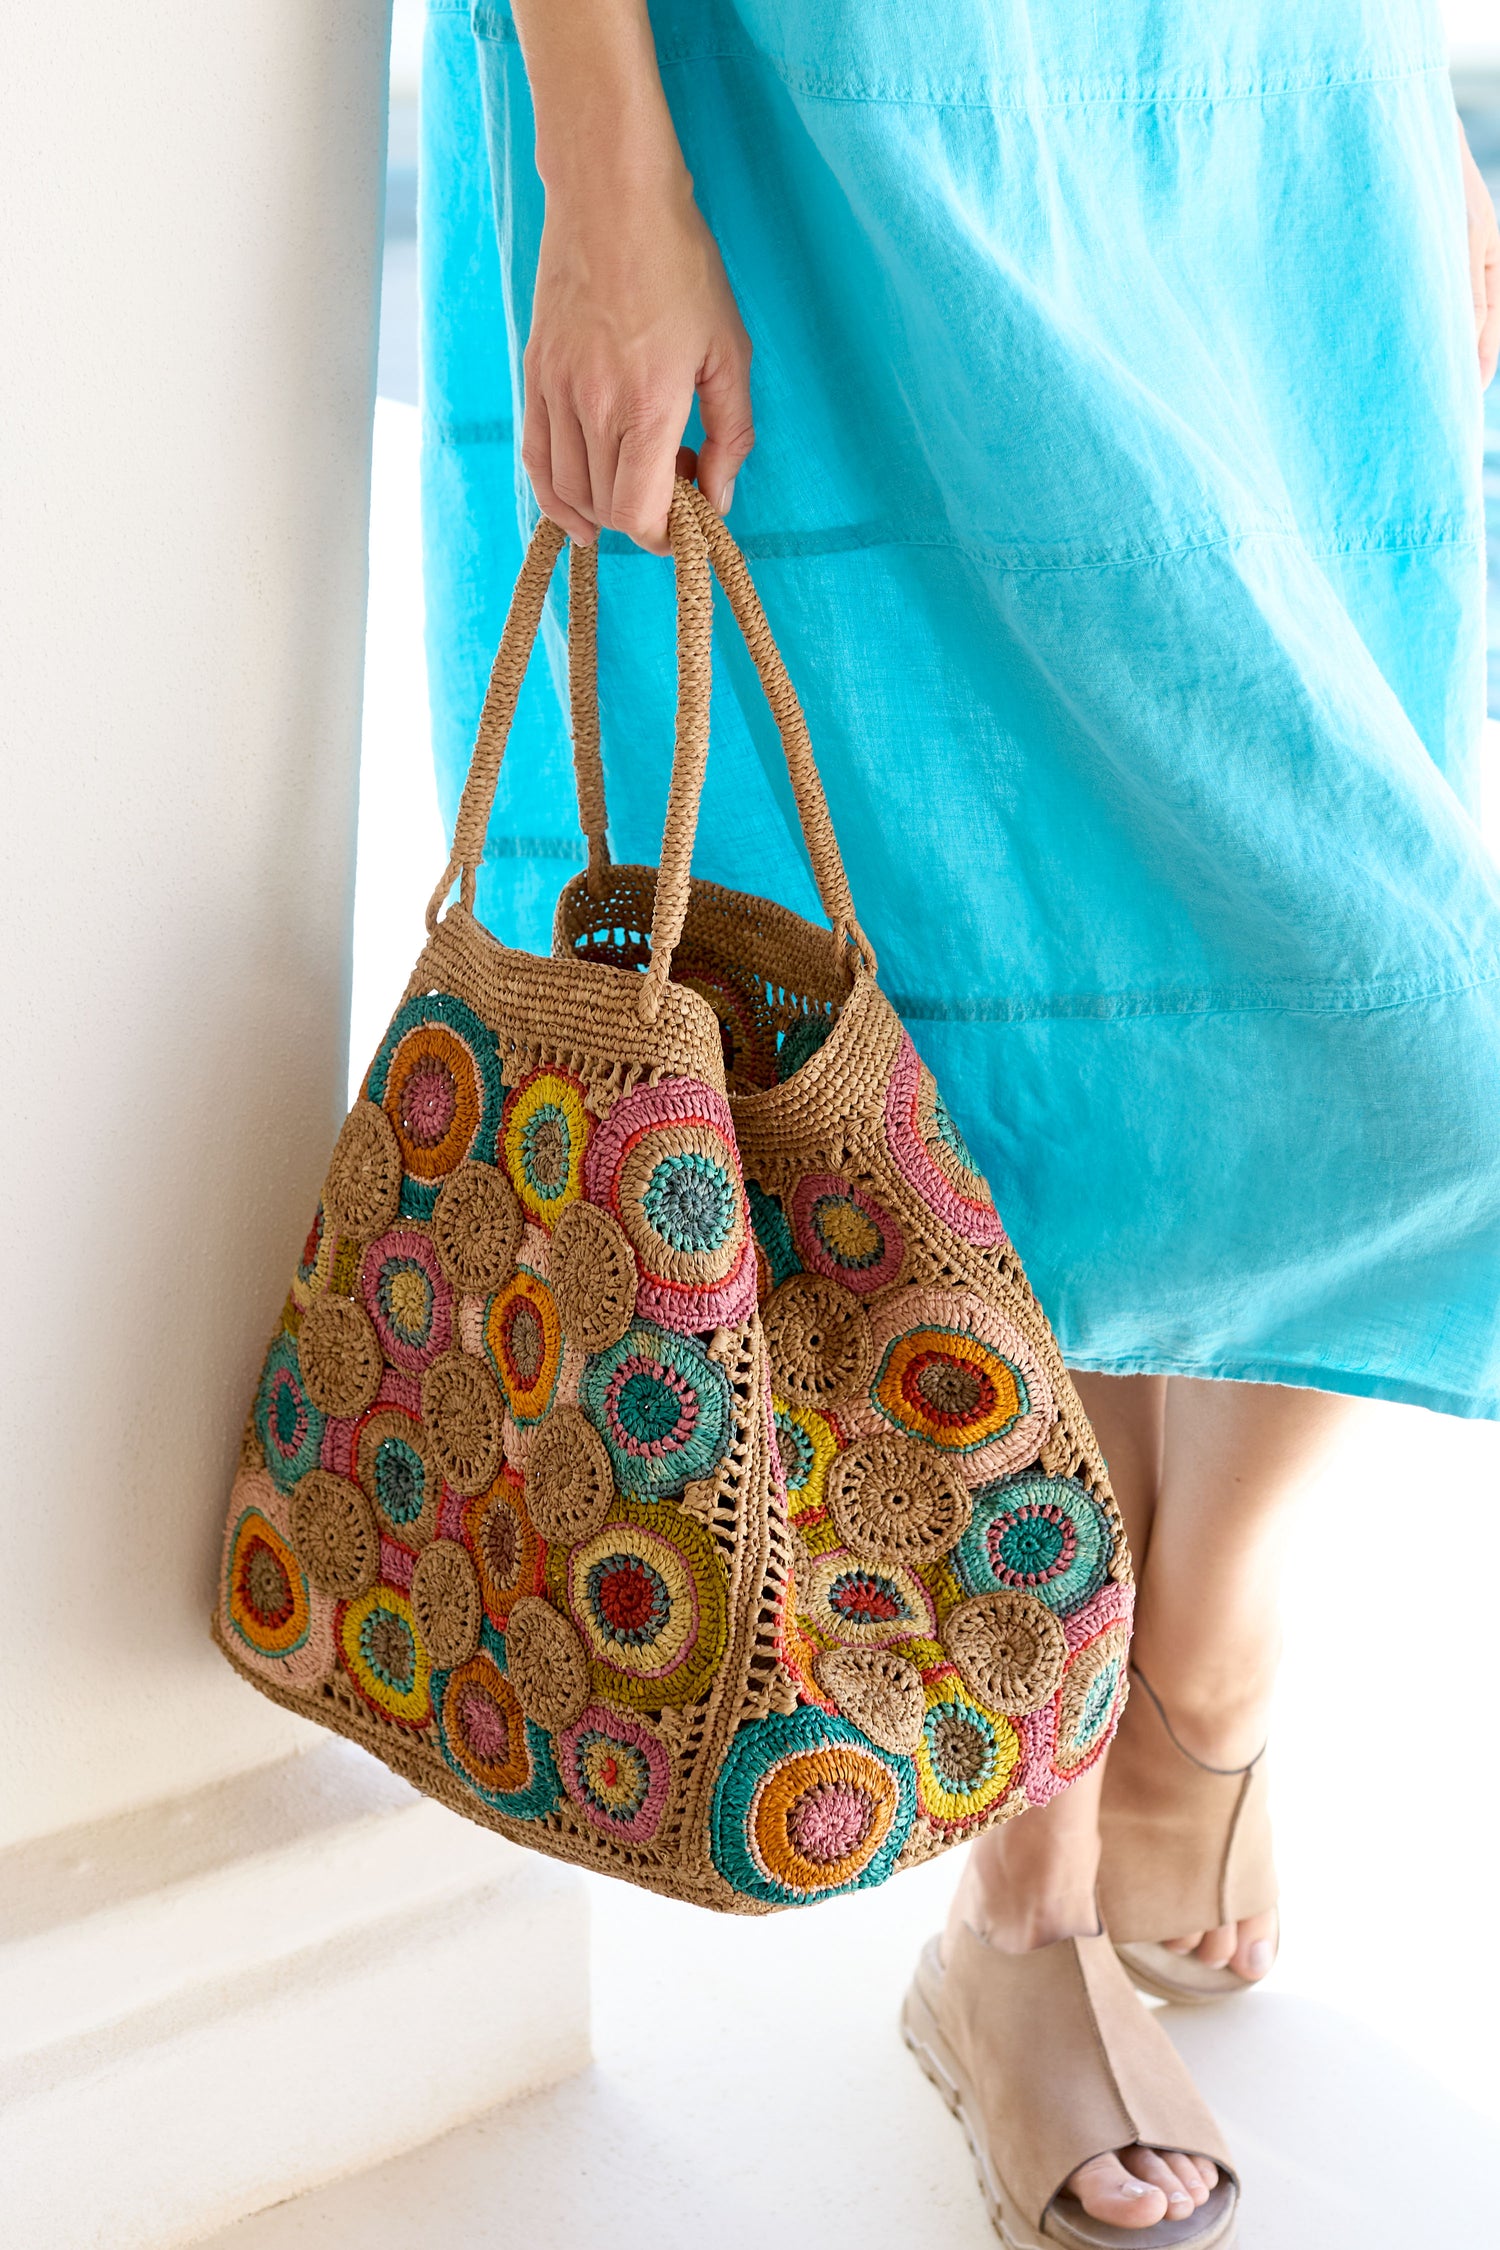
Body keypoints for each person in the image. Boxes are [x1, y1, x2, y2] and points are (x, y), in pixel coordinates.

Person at [418, 2, 1500, 2239]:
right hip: (829, 118)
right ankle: (1029, 1895)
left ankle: (1187, 1691)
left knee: (1333, 1022)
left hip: (1266, 110)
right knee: (962, 1009)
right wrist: (602, 152)